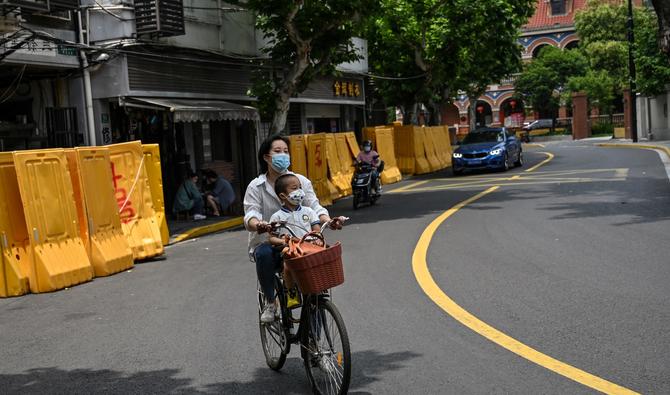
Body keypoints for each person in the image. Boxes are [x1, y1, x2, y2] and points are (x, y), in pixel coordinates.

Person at [244, 134, 343, 324]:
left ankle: (316, 348)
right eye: (277, 151)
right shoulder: (256, 186)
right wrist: (259, 225)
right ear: (266, 157)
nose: (283, 155)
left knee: (315, 293)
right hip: (273, 244)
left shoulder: (300, 181)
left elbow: (315, 207)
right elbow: (250, 214)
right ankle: (271, 303)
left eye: (286, 151)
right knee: (264, 254)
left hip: (303, 244)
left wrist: (329, 221)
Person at [268, 173, 322, 310]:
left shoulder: (309, 211)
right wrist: (282, 242)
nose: (299, 191)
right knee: (288, 266)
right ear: (282, 196)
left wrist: (316, 239)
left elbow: (316, 230)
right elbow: (271, 238)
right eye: (294, 188)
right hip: (291, 249)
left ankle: (320, 286)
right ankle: (291, 292)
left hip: (308, 247)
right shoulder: (277, 217)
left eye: (300, 187)